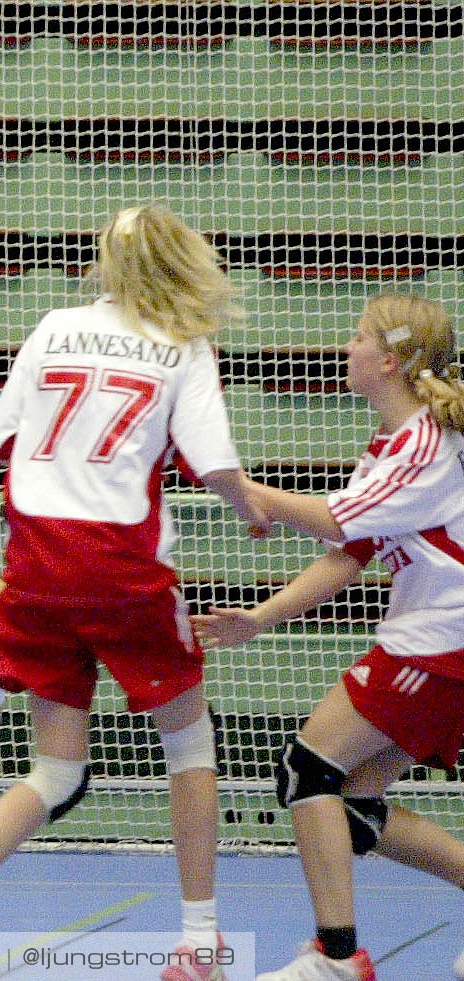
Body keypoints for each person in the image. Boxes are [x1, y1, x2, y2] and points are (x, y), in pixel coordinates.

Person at [0, 205, 267, 981]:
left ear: (105, 262)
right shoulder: (182, 344)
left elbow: (0, 442)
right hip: (120, 567)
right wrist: (253, 509)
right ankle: (197, 941)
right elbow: (213, 459)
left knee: (55, 771)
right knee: (189, 744)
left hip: (34, 564)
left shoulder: (53, 324)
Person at [194, 293, 464, 981]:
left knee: (309, 770)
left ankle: (338, 958)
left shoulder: (424, 448)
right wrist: (259, 617)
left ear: (391, 359)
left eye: (357, 335)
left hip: (437, 645)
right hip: (436, 645)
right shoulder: (395, 445)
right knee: (351, 807)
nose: (346, 346)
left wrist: (238, 485)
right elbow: (347, 554)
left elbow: (331, 522)